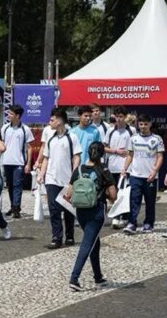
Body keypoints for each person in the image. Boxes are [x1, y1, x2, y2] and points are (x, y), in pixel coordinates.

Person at [64, 142, 116, 291]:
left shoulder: (79, 170)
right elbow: (113, 196)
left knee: (94, 241)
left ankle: (98, 276)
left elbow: (68, 195)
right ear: (102, 154)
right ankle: (74, 278)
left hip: (81, 211)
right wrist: (103, 192)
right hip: (96, 211)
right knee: (87, 243)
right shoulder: (103, 170)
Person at [37, 108, 82, 249]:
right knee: (53, 209)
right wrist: (41, 174)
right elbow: (46, 158)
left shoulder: (72, 137)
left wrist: (74, 176)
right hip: (52, 179)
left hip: (67, 179)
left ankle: (69, 235)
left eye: (52, 120)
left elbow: (76, 157)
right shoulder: (51, 138)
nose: (50, 122)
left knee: (68, 208)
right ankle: (56, 237)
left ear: (60, 121)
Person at [121, 113, 164, 234]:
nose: (143, 126)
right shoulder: (133, 138)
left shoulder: (157, 139)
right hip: (136, 175)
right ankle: (132, 223)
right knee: (134, 199)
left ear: (150, 124)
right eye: (141, 124)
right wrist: (124, 168)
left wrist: (155, 170)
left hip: (150, 175)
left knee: (150, 201)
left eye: (146, 124)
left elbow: (160, 156)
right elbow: (130, 155)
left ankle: (148, 223)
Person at [0, 105, 33, 219]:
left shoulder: (25, 129)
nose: (8, 115)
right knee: (10, 185)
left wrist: (28, 163)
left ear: (17, 116)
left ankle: (16, 208)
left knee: (17, 185)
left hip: (19, 162)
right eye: (8, 113)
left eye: (11, 114)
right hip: (6, 161)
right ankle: (13, 206)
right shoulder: (4, 128)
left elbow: (29, 147)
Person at [105, 106, 134, 229]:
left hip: (126, 167)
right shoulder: (110, 131)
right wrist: (116, 151)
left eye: (121, 117)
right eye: (117, 117)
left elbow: (133, 148)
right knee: (114, 193)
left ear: (125, 117)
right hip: (112, 166)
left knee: (125, 193)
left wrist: (127, 156)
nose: (119, 119)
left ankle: (126, 217)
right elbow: (104, 147)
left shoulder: (131, 130)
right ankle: (116, 216)